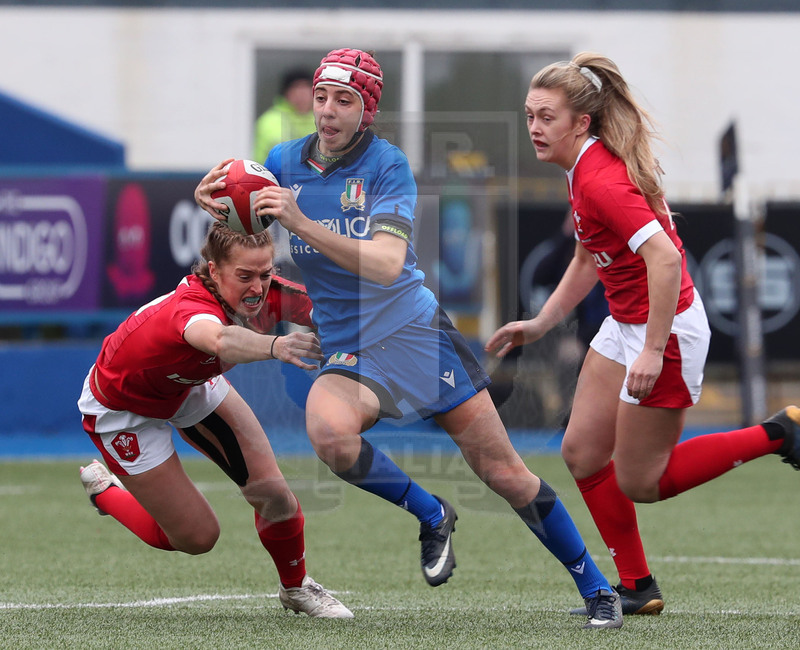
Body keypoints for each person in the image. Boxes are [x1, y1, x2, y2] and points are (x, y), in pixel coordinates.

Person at [196, 47, 622, 630]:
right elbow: (243, 233)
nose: (327, 111)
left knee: (504, 474)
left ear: (366, 109)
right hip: (348, 347)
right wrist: (218, 208)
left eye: (344, 100)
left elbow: (388, 265)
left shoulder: (387, 166)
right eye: (321, 97)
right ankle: (432, 512)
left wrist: (301, 223)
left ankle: (598, 588)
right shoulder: (282, 162)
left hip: (416, 337)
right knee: (330, 436)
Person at [485, 51, 800, 617]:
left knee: (642, 481)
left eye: (546, 116)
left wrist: (653, 349)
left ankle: (781, 432)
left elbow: (665, 260)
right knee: (581, 452)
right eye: (529, 114)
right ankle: (637, 588)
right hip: (627, 323)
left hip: (667, 329)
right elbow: (588, 258)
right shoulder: (582, 168)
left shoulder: (600, 176)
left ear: (581, 122)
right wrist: (540, 322)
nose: (534, 126)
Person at [77, 221, 353, 619]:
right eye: (244, 276)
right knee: (196, 537)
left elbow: (341, 316)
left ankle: (296, 588)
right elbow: (220, 340)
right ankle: (105, 491)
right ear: (213, 269)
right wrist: (277, 345)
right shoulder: (189, 310)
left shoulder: (270, 296)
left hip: (188, 387)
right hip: (123, 411)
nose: (257, 288)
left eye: (264, 273)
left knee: (275, 496)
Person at [253, 69, 316, 165]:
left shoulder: (323, 118)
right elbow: (259, 160)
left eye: (306, 87)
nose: (301, 93)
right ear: (286, 92)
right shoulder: (269, 121)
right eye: (296, 87)